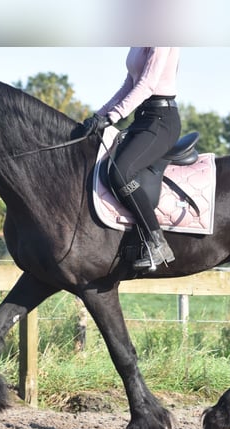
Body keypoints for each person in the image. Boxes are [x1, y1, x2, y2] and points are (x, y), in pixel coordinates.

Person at [80, 47, 182, 271]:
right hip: (142, 119)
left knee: (121, 172)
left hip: (162, 121)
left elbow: (148, 84)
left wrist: (113, 117)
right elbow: (129, 84)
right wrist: (100, 114)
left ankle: (157, 242)